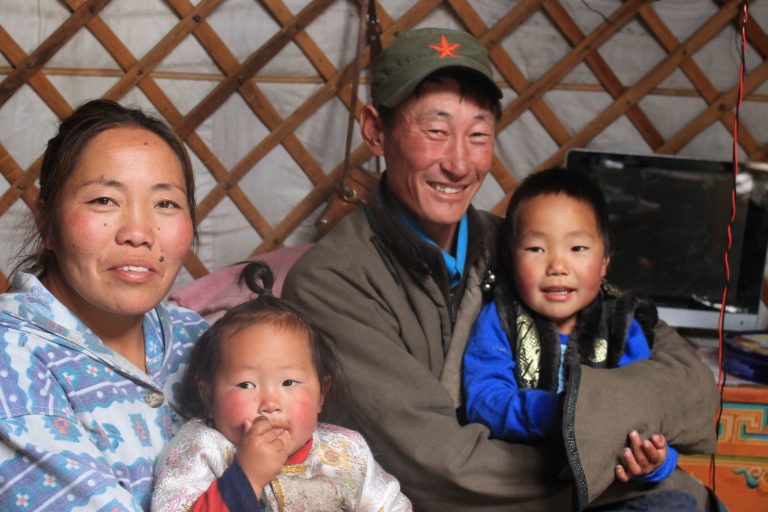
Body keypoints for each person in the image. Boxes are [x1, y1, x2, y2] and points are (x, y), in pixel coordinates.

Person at [282, 27, 721, 510]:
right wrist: (604, 464)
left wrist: (623, 449)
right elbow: (439, 467)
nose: (459, 164)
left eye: (478, 135)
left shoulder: (523, 246)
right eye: (435, 131)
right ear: (375, 130)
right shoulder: (332, 283)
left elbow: (691, 385)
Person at [0, 99, 209, 511]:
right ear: (47, 224)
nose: (138, 232)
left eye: (165, 203)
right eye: (104, 201)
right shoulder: (12, 361)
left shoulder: (198, 336)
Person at [463, 168, 693, 494]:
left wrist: (656, 460)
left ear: (604, 262)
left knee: (676, 502)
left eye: (578, 249)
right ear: (511, 260)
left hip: (606, 484)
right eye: (536, 249)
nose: (558, 266)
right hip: (522, 480)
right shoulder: (501, 318)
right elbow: (484, 401)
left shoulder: (621, 326)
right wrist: (558, 412)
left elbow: (645, 411)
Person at [151, 261, 411, 511]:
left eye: (289, 382)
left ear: (322, 393)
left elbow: (391, 504)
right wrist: (247, 477)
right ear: (207, 396)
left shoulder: (347, 451)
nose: (270, 403)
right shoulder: (201, 450)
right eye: (246, 384)